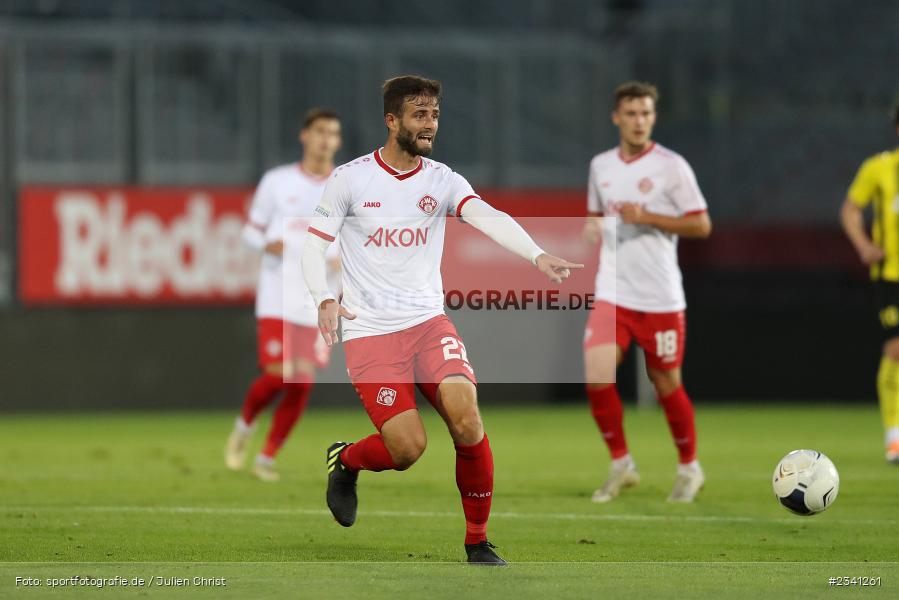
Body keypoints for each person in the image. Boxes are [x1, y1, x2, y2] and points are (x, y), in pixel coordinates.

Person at [301, 75, 582, 565]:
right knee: (408, 449)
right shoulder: (350, 178)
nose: (429, 124)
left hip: (428, 324)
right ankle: (345, 459)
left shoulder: (443, 179)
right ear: (392, 121)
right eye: (418, 114)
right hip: (371, 334)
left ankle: (478, 541)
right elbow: (312, 246)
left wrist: (536, 255)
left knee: (467, 419)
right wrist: (324, 298)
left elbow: (486, 214)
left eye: (433, 114)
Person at [582, 81, 712, 503]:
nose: (639, 121)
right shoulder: (600, 165)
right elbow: (595, 215)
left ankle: (689, 468)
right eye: (632, 113)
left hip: (659, 296)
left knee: (665, 382)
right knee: (597, 371)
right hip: (613, 290)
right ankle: (621, 464)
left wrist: (650, 216)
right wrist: (590, 226)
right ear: (616, 117)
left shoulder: (672, 167)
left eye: (646, 114)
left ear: (653, 118)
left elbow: (701, 224)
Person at [225, 108, 342, 481]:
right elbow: (249, 232)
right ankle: (244, 427)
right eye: (320, 131)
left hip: (318, 298)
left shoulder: (346, 184)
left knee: (302, 382)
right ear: (304, 135)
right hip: (278, 294)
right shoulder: (276, 182)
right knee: (280, 376)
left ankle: (266, 457)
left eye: (333, 133)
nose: (326, 139)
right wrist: (266, 245)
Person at [839, 103, 899, 464]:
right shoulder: (879, 168)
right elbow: (849, 209)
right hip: (891, 276)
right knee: (896, 351)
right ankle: (894, 437)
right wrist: (863, 245)